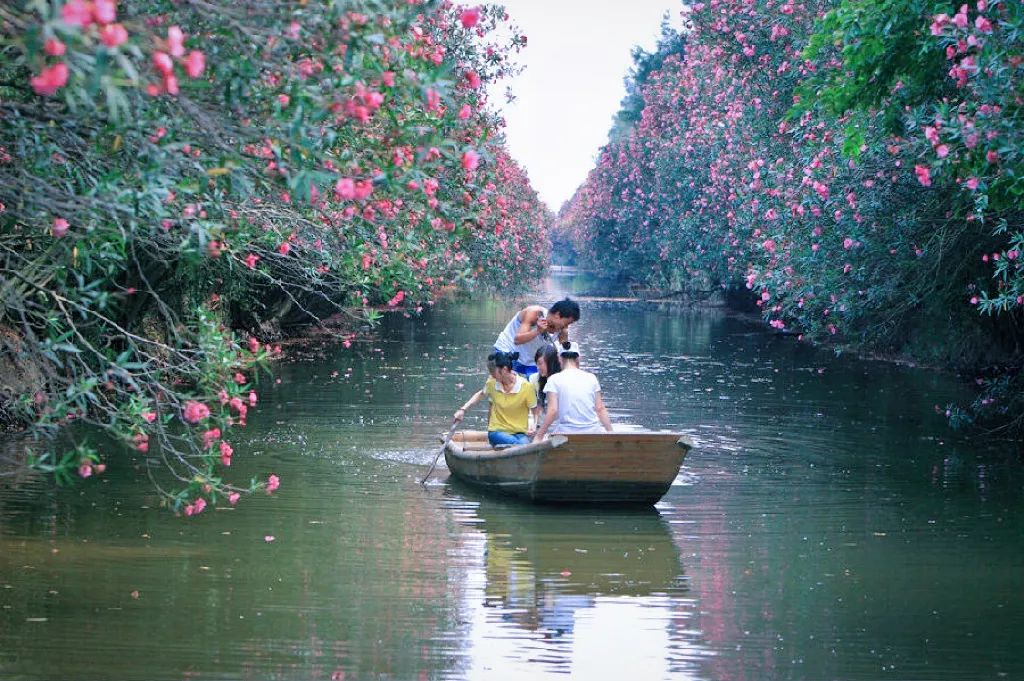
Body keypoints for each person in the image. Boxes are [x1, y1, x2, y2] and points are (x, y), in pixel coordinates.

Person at [454, 351, 537, 446]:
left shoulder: (526, 387)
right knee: (520, 446)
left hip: (519, 433)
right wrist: (463, 410)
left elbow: (535, 411)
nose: (493, 376)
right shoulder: (492, 383)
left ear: (504, 370)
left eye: (494, 373)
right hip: (497, 432)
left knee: (524, 445)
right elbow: (480, 395)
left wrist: (533, 426)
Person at [533, 341, 613, 441]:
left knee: (549, 439)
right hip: (593, 431)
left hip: (566, 433)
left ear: (559, 358)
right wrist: (611, 433)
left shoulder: (554, 380)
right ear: (578, 358)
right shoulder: (591, 378)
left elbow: (553, 411)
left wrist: (539, 436)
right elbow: (600, 409)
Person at [493, 298, 580, 377]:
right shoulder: (534, 313)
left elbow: (563, 352)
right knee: (508, 387)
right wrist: (537, 331)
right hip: (507, 350)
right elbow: (517, 340)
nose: (566, 326)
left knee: (534, 389)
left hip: (530, 360)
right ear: (557, 315)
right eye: (567, 323)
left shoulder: (562, 329)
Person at [529, 343, 562, 425]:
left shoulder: (562, 380)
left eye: (540, 363)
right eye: (537, 364)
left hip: (560, 426)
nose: (538, 367)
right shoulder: (534, 379)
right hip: (541, 425)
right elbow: (533, 407)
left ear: (551, 363)